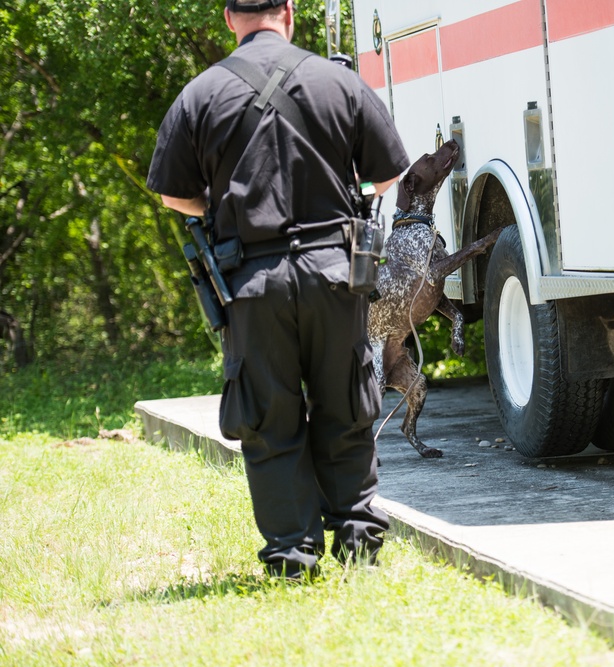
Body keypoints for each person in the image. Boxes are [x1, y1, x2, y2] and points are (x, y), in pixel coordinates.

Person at [147, 0, 410, 579]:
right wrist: (344, 190)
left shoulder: (200, 94)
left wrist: (222, 206)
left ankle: (293, 558)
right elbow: (391, 172)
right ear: (289, 12)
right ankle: (360, 544)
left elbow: (172, 194)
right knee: (346, 403)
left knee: (268, 418)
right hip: (335, 273)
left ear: (227, 17)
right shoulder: (337, 81)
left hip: (251, 279)